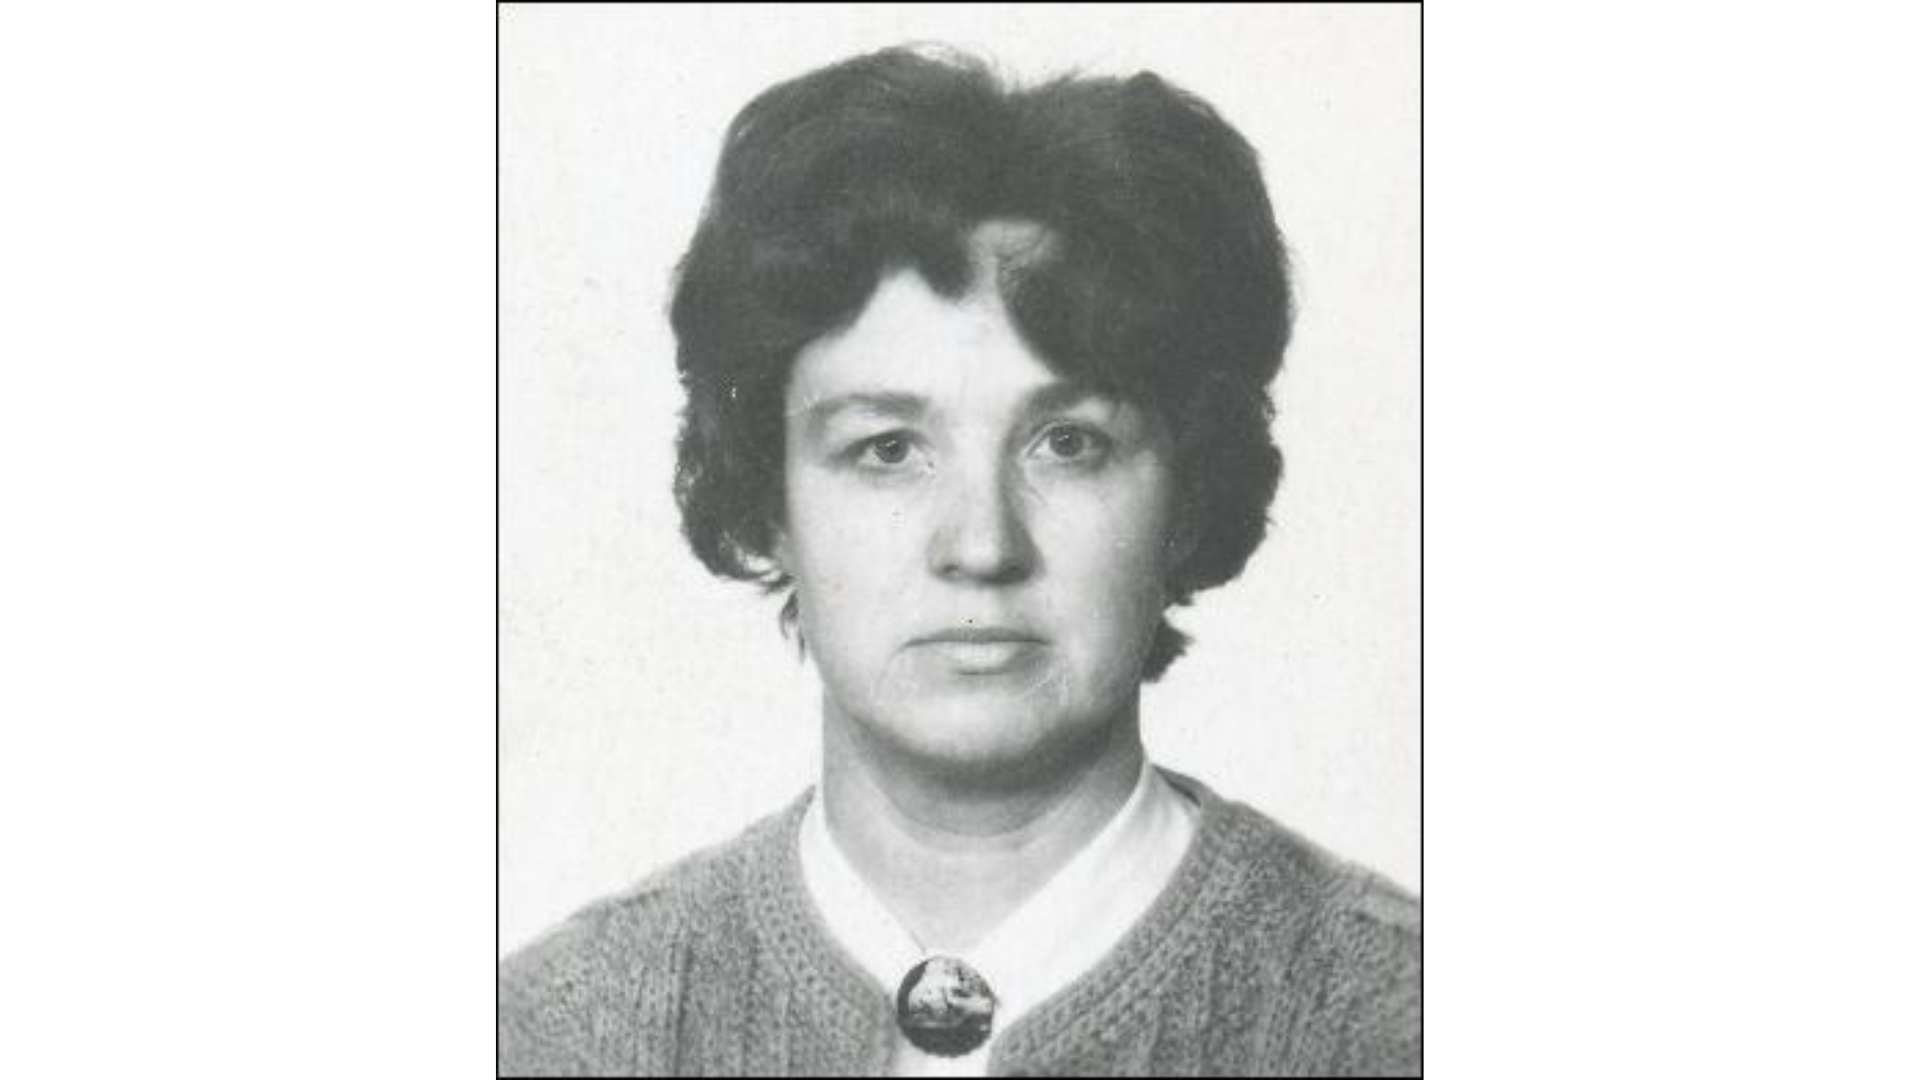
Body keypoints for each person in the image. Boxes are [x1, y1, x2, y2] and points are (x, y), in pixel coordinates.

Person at [499, 45, 1420, 1077]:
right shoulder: (545, 1035)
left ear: (1187, 496)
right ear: (770, 502)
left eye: (1069, 443)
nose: (981, 546)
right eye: (887, 450)